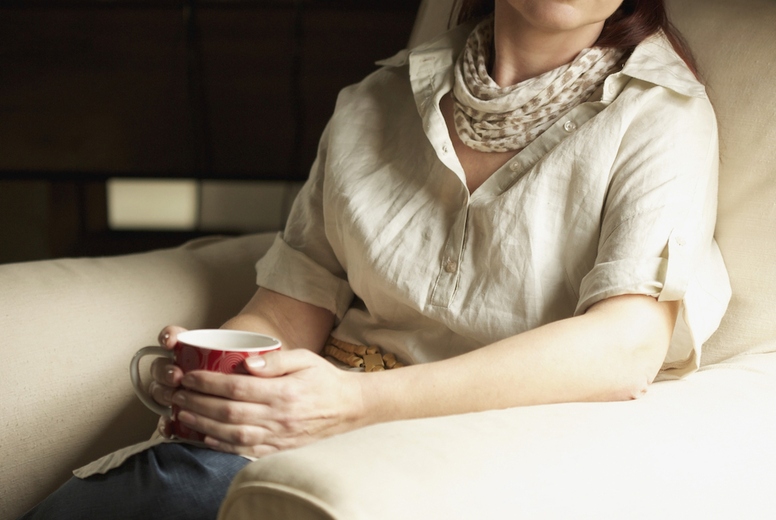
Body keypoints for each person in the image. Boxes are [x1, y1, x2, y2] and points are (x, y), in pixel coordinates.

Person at [20, 0, 730, 518]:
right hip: (306, 428)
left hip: (473, 451)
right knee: (137, 492)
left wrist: (352, 406)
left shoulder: (661, 115)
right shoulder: (376, 99)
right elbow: (292, 301)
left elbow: (626, 346)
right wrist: (238, 383)